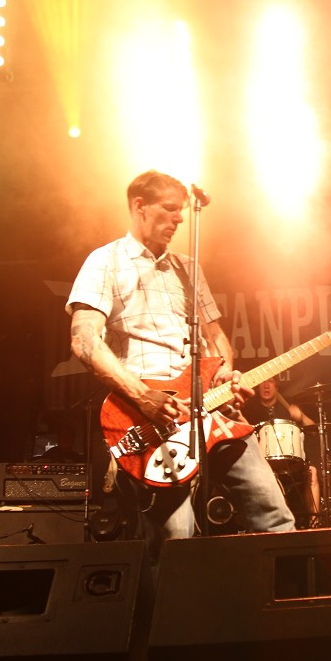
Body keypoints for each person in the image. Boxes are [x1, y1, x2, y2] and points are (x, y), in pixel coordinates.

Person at [66, 169, 295, 551]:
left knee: (273, 514)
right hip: (154, 417)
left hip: (213, 413)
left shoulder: (188, 268)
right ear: (139, 206)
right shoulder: (104, 261)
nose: (179, 219)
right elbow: (84, 340)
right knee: (175, 539)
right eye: (170, 209)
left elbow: (216, 336)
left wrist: (223, 373)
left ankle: (280, 608)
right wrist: (142, 396)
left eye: (183, 211)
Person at [242, 376, 321, 526]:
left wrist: (301, 417)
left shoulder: (288, 406)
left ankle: (315, 522)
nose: (266, 386)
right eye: (262, 382)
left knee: (312, 471)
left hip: (291, 461)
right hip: (263, 462)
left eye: (270, 382)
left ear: (277, 387)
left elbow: (314, 430)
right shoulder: (249, 410)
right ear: (257, 387)